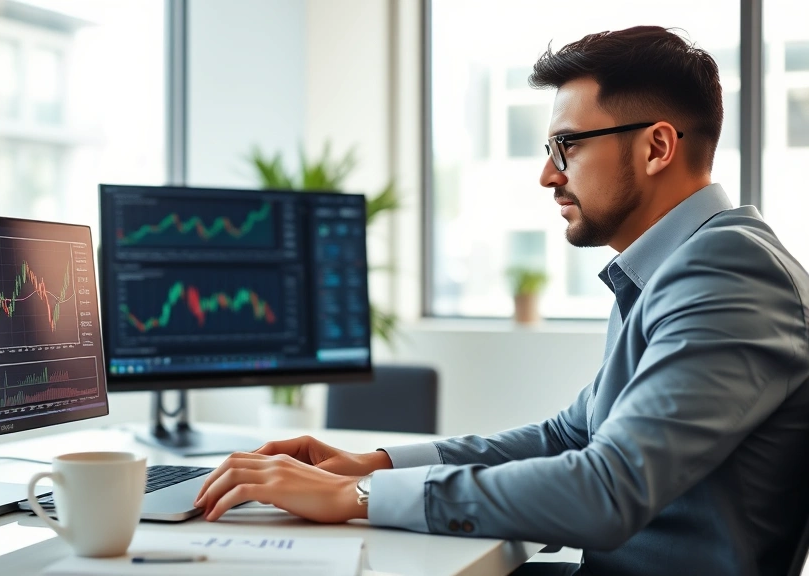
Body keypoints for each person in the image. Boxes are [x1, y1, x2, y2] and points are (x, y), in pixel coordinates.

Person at [194, 25, 809, 576]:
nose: (548, 175)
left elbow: (608, 488)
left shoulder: (730, 275)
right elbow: (568, 436)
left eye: (567, 146)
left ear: (656, 147)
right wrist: (371, 465)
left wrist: (354, 498)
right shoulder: (676, 268)